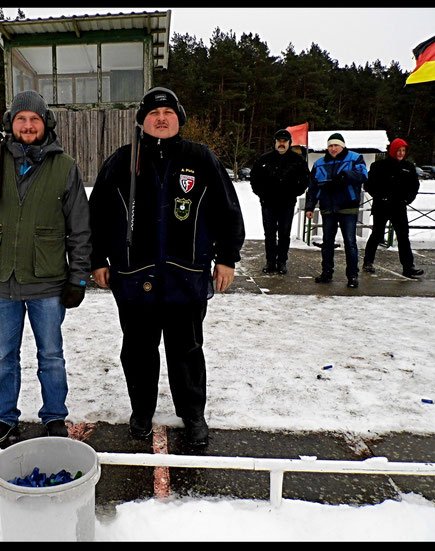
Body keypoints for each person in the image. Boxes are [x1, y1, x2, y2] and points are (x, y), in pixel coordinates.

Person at [89, 87, 245, 447]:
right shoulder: (121, 160)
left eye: (169, 113)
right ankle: (141, 411)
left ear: (179, 119)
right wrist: (97, 259)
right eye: (154, 113)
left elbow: (228, 212)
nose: (161, 118)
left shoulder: (201, 159)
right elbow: (97, 215)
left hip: (185, 278)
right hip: (133, 277)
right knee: (138, 350)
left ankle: (192, 415)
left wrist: (226, 258)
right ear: (142, 120)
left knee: (186, 351)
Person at [0, 90, 92, 446]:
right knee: (3, 356)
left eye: (34, 119)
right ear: (10, 124)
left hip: (47, 283)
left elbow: (80, 227)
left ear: (46, 123)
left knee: (51, 355)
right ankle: (5, 418)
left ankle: (55, 417)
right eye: (21, 119)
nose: (28, 125)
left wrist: (78, 276)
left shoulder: (65, 166)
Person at [304, 133, 368, 288]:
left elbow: (363, 175)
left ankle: (352, 275)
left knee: (350, 242)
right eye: (330, 146)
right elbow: (312, 187)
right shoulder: (319, 163)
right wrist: (310, 206)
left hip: (348, 206)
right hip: (328, 207)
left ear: (343, 146)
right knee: (327, 243)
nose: (333, 149)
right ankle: (326, 272)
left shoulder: (355, 158)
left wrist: (346, 175)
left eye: (336, 145)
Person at [250, 129, 310, 274]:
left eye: (284, 141)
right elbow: (254, 179)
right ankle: (270, 262)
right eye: (279, 141)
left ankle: (282, 262)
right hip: (268, 203)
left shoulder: (298, 160)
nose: (281, 144)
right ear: (275, 142)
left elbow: (305, 180)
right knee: (269, 234)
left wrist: (294, 193)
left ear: (289, 143)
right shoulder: (264, 159)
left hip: (287, 204)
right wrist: (262, 195)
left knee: (284, 234)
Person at [362, 138, 424, 278]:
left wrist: (407, 199)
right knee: (377, 234)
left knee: (403, 236)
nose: (401, 153)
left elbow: (414, 186)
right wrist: (380, 196)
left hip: (399, 206)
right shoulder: (379, 166)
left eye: (403, 150)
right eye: (398, 150)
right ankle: (368, 261)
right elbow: (369, 184)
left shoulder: (408, 167)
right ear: (392, 151)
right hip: (381, 206)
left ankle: (408, 267)